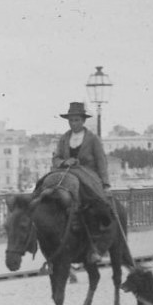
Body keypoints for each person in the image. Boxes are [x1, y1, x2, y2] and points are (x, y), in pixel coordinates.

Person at [45, 100, 118, 264]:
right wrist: (64, 163)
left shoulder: (93, 139)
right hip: (67, 173)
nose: (74, 123)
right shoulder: (64, 138)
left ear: (83, 121)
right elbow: (56, 158)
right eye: (71, 120)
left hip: (88, 175)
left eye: (77, 120)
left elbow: (101, 162)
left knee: (90, 201)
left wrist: (105, 184)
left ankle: (95, 243)